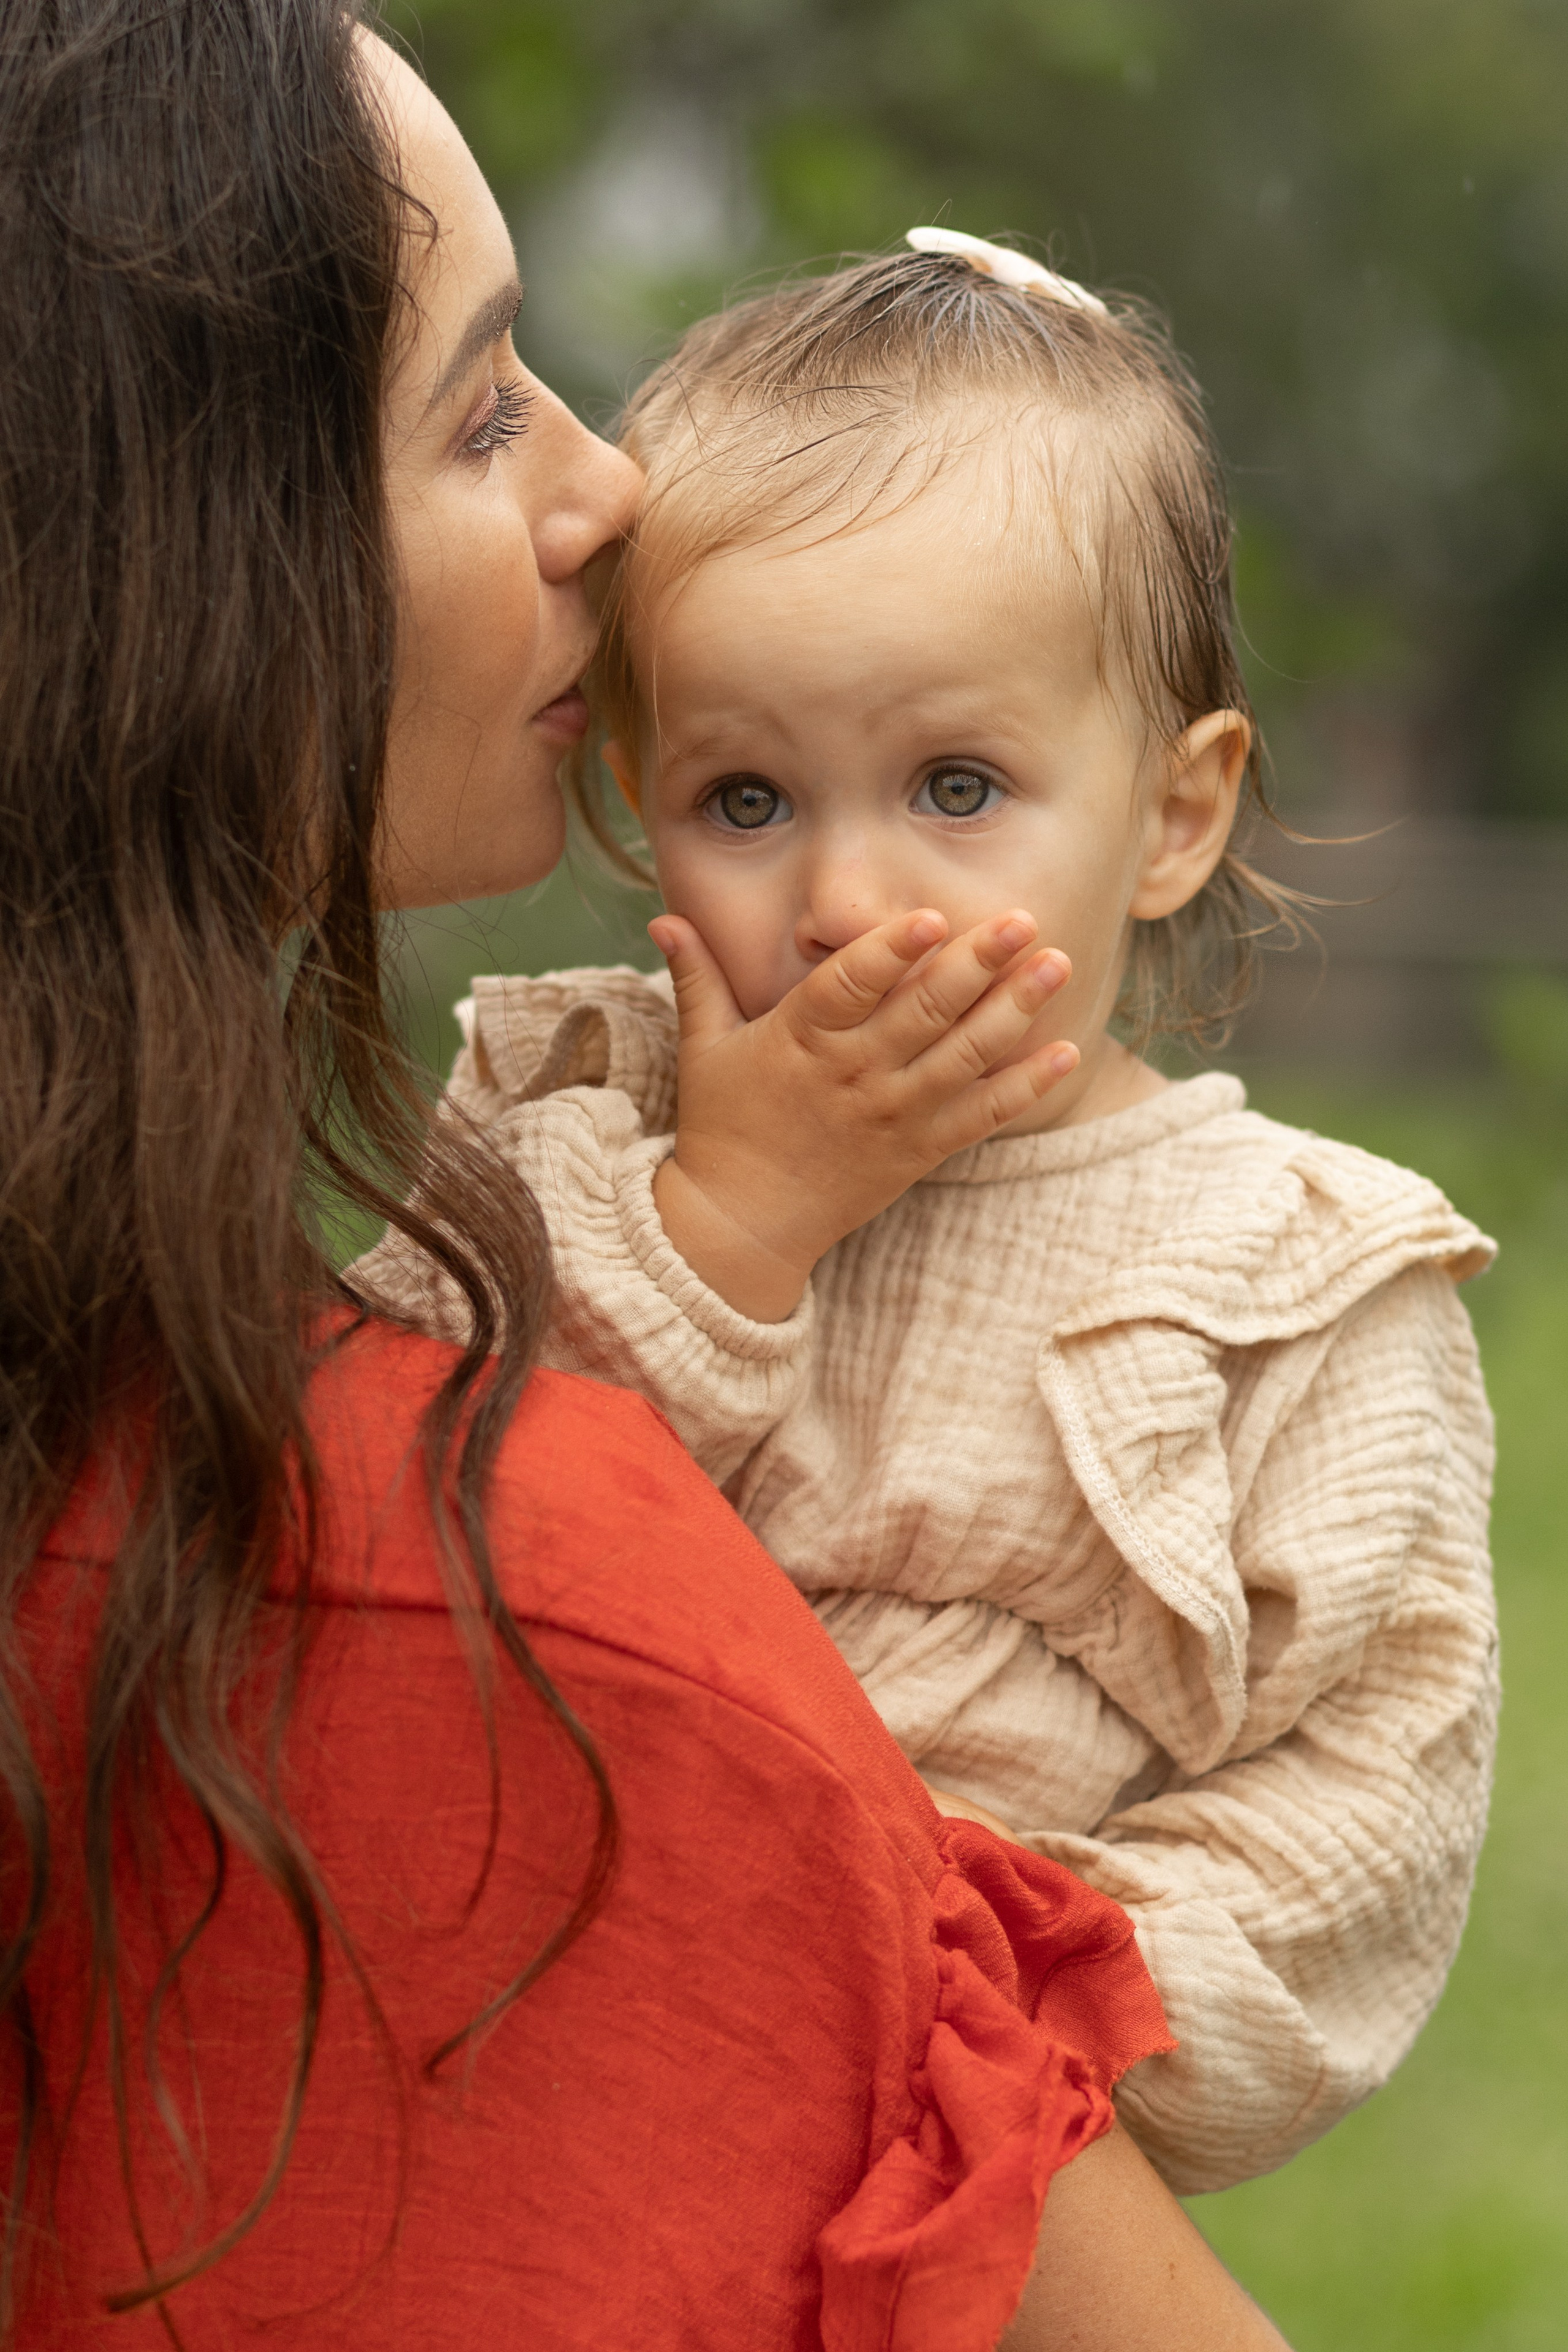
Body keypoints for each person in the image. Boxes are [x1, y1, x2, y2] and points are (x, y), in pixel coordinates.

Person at [0, 6, 1293, 2348]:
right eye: (484, 407)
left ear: (1183, 805)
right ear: (172, 563)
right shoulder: (468, 1580)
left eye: (962, 779)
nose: (608, 494)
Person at [360, 233, 1501, 2195]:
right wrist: (729, 1218)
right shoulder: (569, 1116)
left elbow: (1367, 1809)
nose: (843, 896)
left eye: (957, 785)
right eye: (747, 800)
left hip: (953, 2167)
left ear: (1171, 812)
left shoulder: (1301, 1282)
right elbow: (383, 1549)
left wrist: (1012, 2008)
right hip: (486, 2091)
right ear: (635, 799)